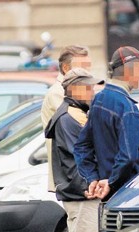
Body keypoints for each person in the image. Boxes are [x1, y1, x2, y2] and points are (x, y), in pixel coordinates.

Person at [44, 68, 104, 232]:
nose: (92, 92)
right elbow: (80, 159)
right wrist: (90, 186)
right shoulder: (69, 118)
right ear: (74, 89)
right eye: (88, 87)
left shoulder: (76, 114)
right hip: (81, 196)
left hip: (80, 194)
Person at [74, 46, 139, 201]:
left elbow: (81, 146)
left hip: (109, 191)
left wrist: (93, 179)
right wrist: (111, 182)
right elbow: (128, 157)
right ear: (130, 72)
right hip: (130, 193)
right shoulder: (127, 107)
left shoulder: (99, 99)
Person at [41, 45, 92, 192]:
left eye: (88, 67)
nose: (87, 73)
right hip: (72, 176)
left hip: (76, 175)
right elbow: (83, 126)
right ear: (65, 68)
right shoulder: (59, 93)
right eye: (82, 67)